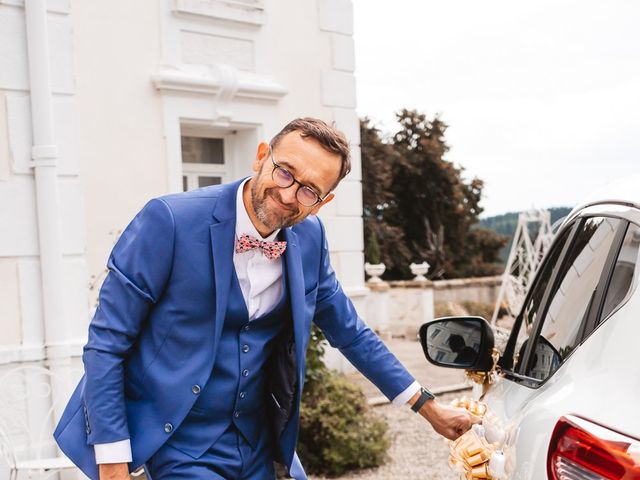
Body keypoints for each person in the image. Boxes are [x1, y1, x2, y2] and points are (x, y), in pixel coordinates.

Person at [54, 118, 480, 480]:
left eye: (310, 190)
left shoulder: (310, 240)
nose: (290, 193)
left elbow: (351, 334)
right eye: (284, 172)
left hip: (261, 446)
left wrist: (428, 407)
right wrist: (112, 462)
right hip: (178, 443)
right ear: (261, 157)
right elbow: (107, 344)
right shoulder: (169, 221)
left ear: (322, 203)